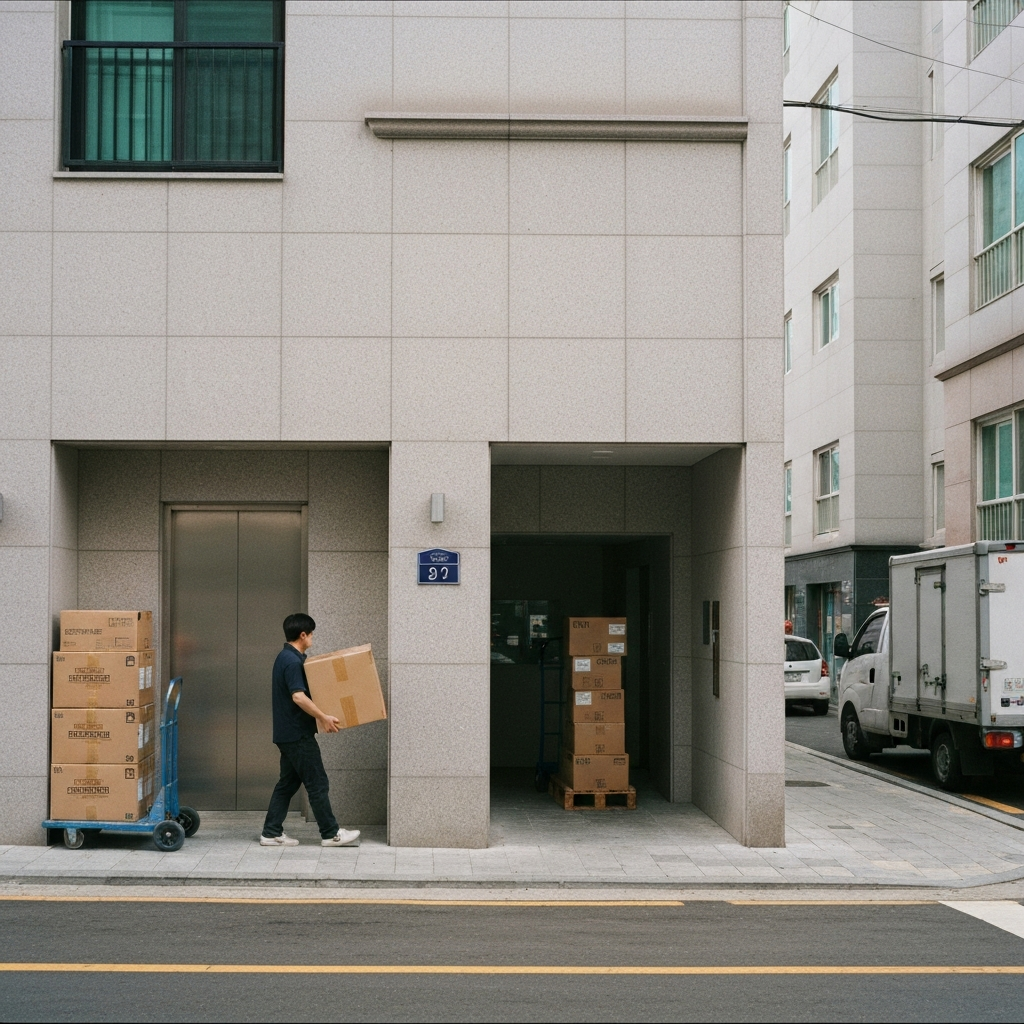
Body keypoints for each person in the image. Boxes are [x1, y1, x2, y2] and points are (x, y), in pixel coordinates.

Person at [260, 613, 360, 848]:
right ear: (303, 635)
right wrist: (323, 717)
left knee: (287, 783)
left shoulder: (284, 657)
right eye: (311, 634)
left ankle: (270, 832)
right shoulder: (293, 661)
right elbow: (298, 696)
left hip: (287, 734)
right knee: (318, 783)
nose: (313, 638)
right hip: (297, 735)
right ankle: (331, 833)